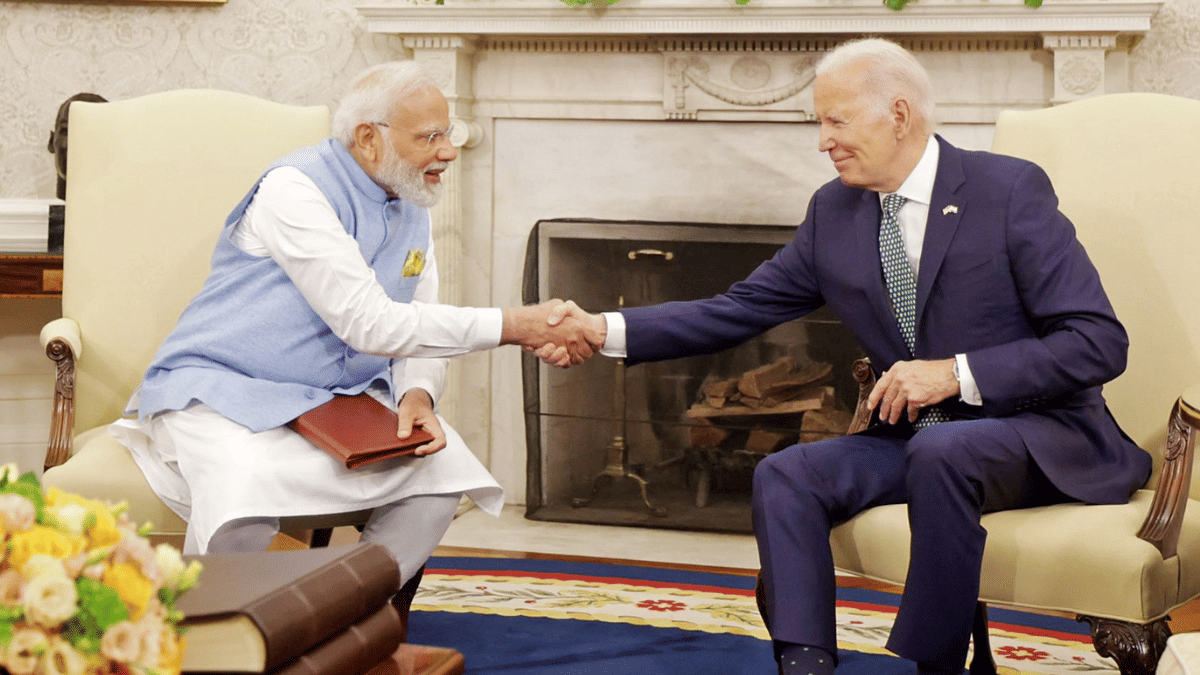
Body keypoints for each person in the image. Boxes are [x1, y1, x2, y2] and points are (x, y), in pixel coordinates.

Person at [542, 38, 1150, 675]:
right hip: (920, 443)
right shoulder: (835, 211)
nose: (822, 140)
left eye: (837, 120)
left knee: (942, 451)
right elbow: (739, 307)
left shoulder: (1008, 191)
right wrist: (600, 328)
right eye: (819, 122)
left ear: (898, 113)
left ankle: (933, 666)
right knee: (786, 473)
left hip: (1041, 437)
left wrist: (955, 374)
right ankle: (805, 665)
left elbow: (1098, 341)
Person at [110, 60, 599, 612]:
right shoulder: (294, 190)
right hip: (223, 389)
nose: (449, 151)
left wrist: (417, 393)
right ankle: (211, 632)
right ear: (369, 138)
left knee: (441, 471)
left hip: (333, 404)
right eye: (430, 136)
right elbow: (369, 323)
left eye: (450, 132)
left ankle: (344, 612)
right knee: (242, 492)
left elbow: (420, 312)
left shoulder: (410, 195)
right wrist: (516, 325)